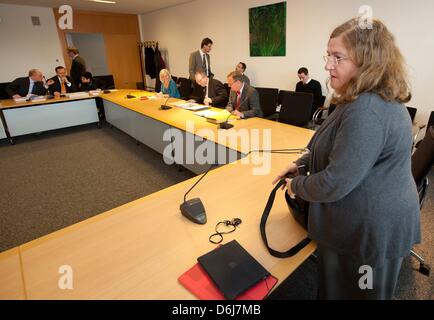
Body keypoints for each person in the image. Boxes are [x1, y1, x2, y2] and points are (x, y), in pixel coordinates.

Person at [273, 18, 420, 300]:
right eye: (328, 56)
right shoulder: (360, 97)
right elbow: (335, 149)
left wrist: (296, 186)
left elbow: (333, 183)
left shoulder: (367, 110)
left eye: (337, 57)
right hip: (367, 219)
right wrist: (301, 165)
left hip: (369, 231)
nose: (328, 65)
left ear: (369, 61)